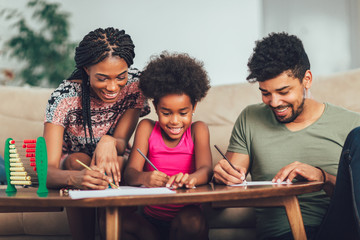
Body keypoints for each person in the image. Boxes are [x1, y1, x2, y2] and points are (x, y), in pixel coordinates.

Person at [213, 32, 360, 239]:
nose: (274, 102)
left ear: (306, 79)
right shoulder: (250, 118)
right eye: (265, 93)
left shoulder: (352, 124)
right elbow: (225, 193)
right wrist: (221, 177)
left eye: (284, 91)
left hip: (340, 230)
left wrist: (323, 178)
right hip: (283, 234)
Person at [43, 27, 150, 240]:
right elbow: (47, 171)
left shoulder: (135, 85)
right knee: (78, 160)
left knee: (113, 164)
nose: (113, 87)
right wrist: (77, 178)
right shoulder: (64, 98)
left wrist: (108, 141)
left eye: (121, 76)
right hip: (75, 163)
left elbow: (121, 141)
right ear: (86, 70)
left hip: (115, 158)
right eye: (102, 78)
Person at [124, 52, 212, 240]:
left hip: (187, 218)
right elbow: (130, 173)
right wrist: (145, 177)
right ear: (155, 107)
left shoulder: (198, 130)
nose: (174, 121)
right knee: (124, 223)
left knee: (193, 222)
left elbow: (206, 170)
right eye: (166, 113)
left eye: (182, 113)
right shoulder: (146, 128)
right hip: (151, 221)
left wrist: (191, 179)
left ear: (194, 106)